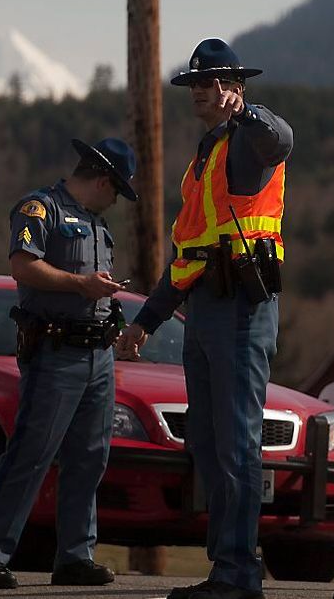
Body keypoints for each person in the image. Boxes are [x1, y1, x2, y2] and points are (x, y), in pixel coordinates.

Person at [116, 38, 292, 599]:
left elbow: (282, 140)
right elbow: (190, 253)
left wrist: (248, 110)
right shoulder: (207, 154)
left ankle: (239, 573)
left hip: (242, 310)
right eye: (195, 84)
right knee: (213, 444)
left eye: (210, 83)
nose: (199, 91)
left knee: (237, 444)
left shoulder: (245, 141)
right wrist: (146, 321)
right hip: (206, 311)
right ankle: (227, 567)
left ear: (234, 88)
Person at [0, 137, 137, 589]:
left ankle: (76, 556)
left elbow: (92, 290)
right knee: (31, 454)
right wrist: (80, 285)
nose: (115, 199)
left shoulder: (97, 226)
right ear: (102, 180)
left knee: (90, 456)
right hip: (56, 352)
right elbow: (23, 266)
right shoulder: (41, 210)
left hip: (98, 354)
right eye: (116, 189)